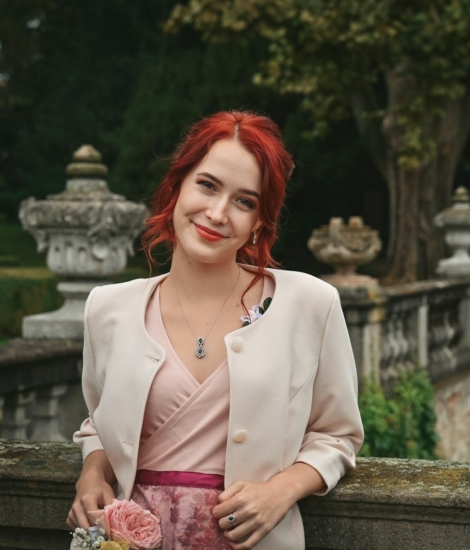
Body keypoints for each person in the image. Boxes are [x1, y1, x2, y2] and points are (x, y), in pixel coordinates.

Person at [66, 111, 364, 549]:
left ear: (260, 221)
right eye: (207, 185)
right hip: (129, 539)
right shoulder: (107, 309)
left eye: (244, 201)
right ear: (177, 185)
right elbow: (100, 421)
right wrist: (91, 473)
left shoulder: (310, 304)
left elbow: (338, 436)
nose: (218, 212)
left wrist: (281, 491)